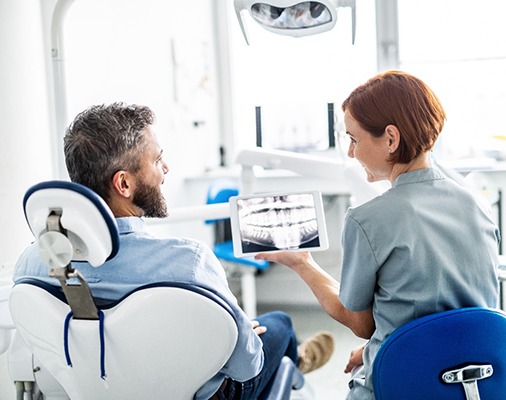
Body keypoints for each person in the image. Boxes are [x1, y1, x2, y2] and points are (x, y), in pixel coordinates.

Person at [13, 102, 335, 400]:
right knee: (278, 326)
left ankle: (296, 359)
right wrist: (241, 336)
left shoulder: (32, 264)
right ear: (123, 184)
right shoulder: (189, 263)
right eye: (156, 159)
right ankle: (297, 361)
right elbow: (245, 367)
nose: (165, 168)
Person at [255, 70, 500, 399]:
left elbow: (361, 324)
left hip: (404, 384)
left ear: (391, 139)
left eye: (354, 140)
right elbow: (454, 312)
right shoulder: (478, 205)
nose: (351, 154)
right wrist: (378, 348)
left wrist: (302, 263)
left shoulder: (367, 220)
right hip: (474, 383)